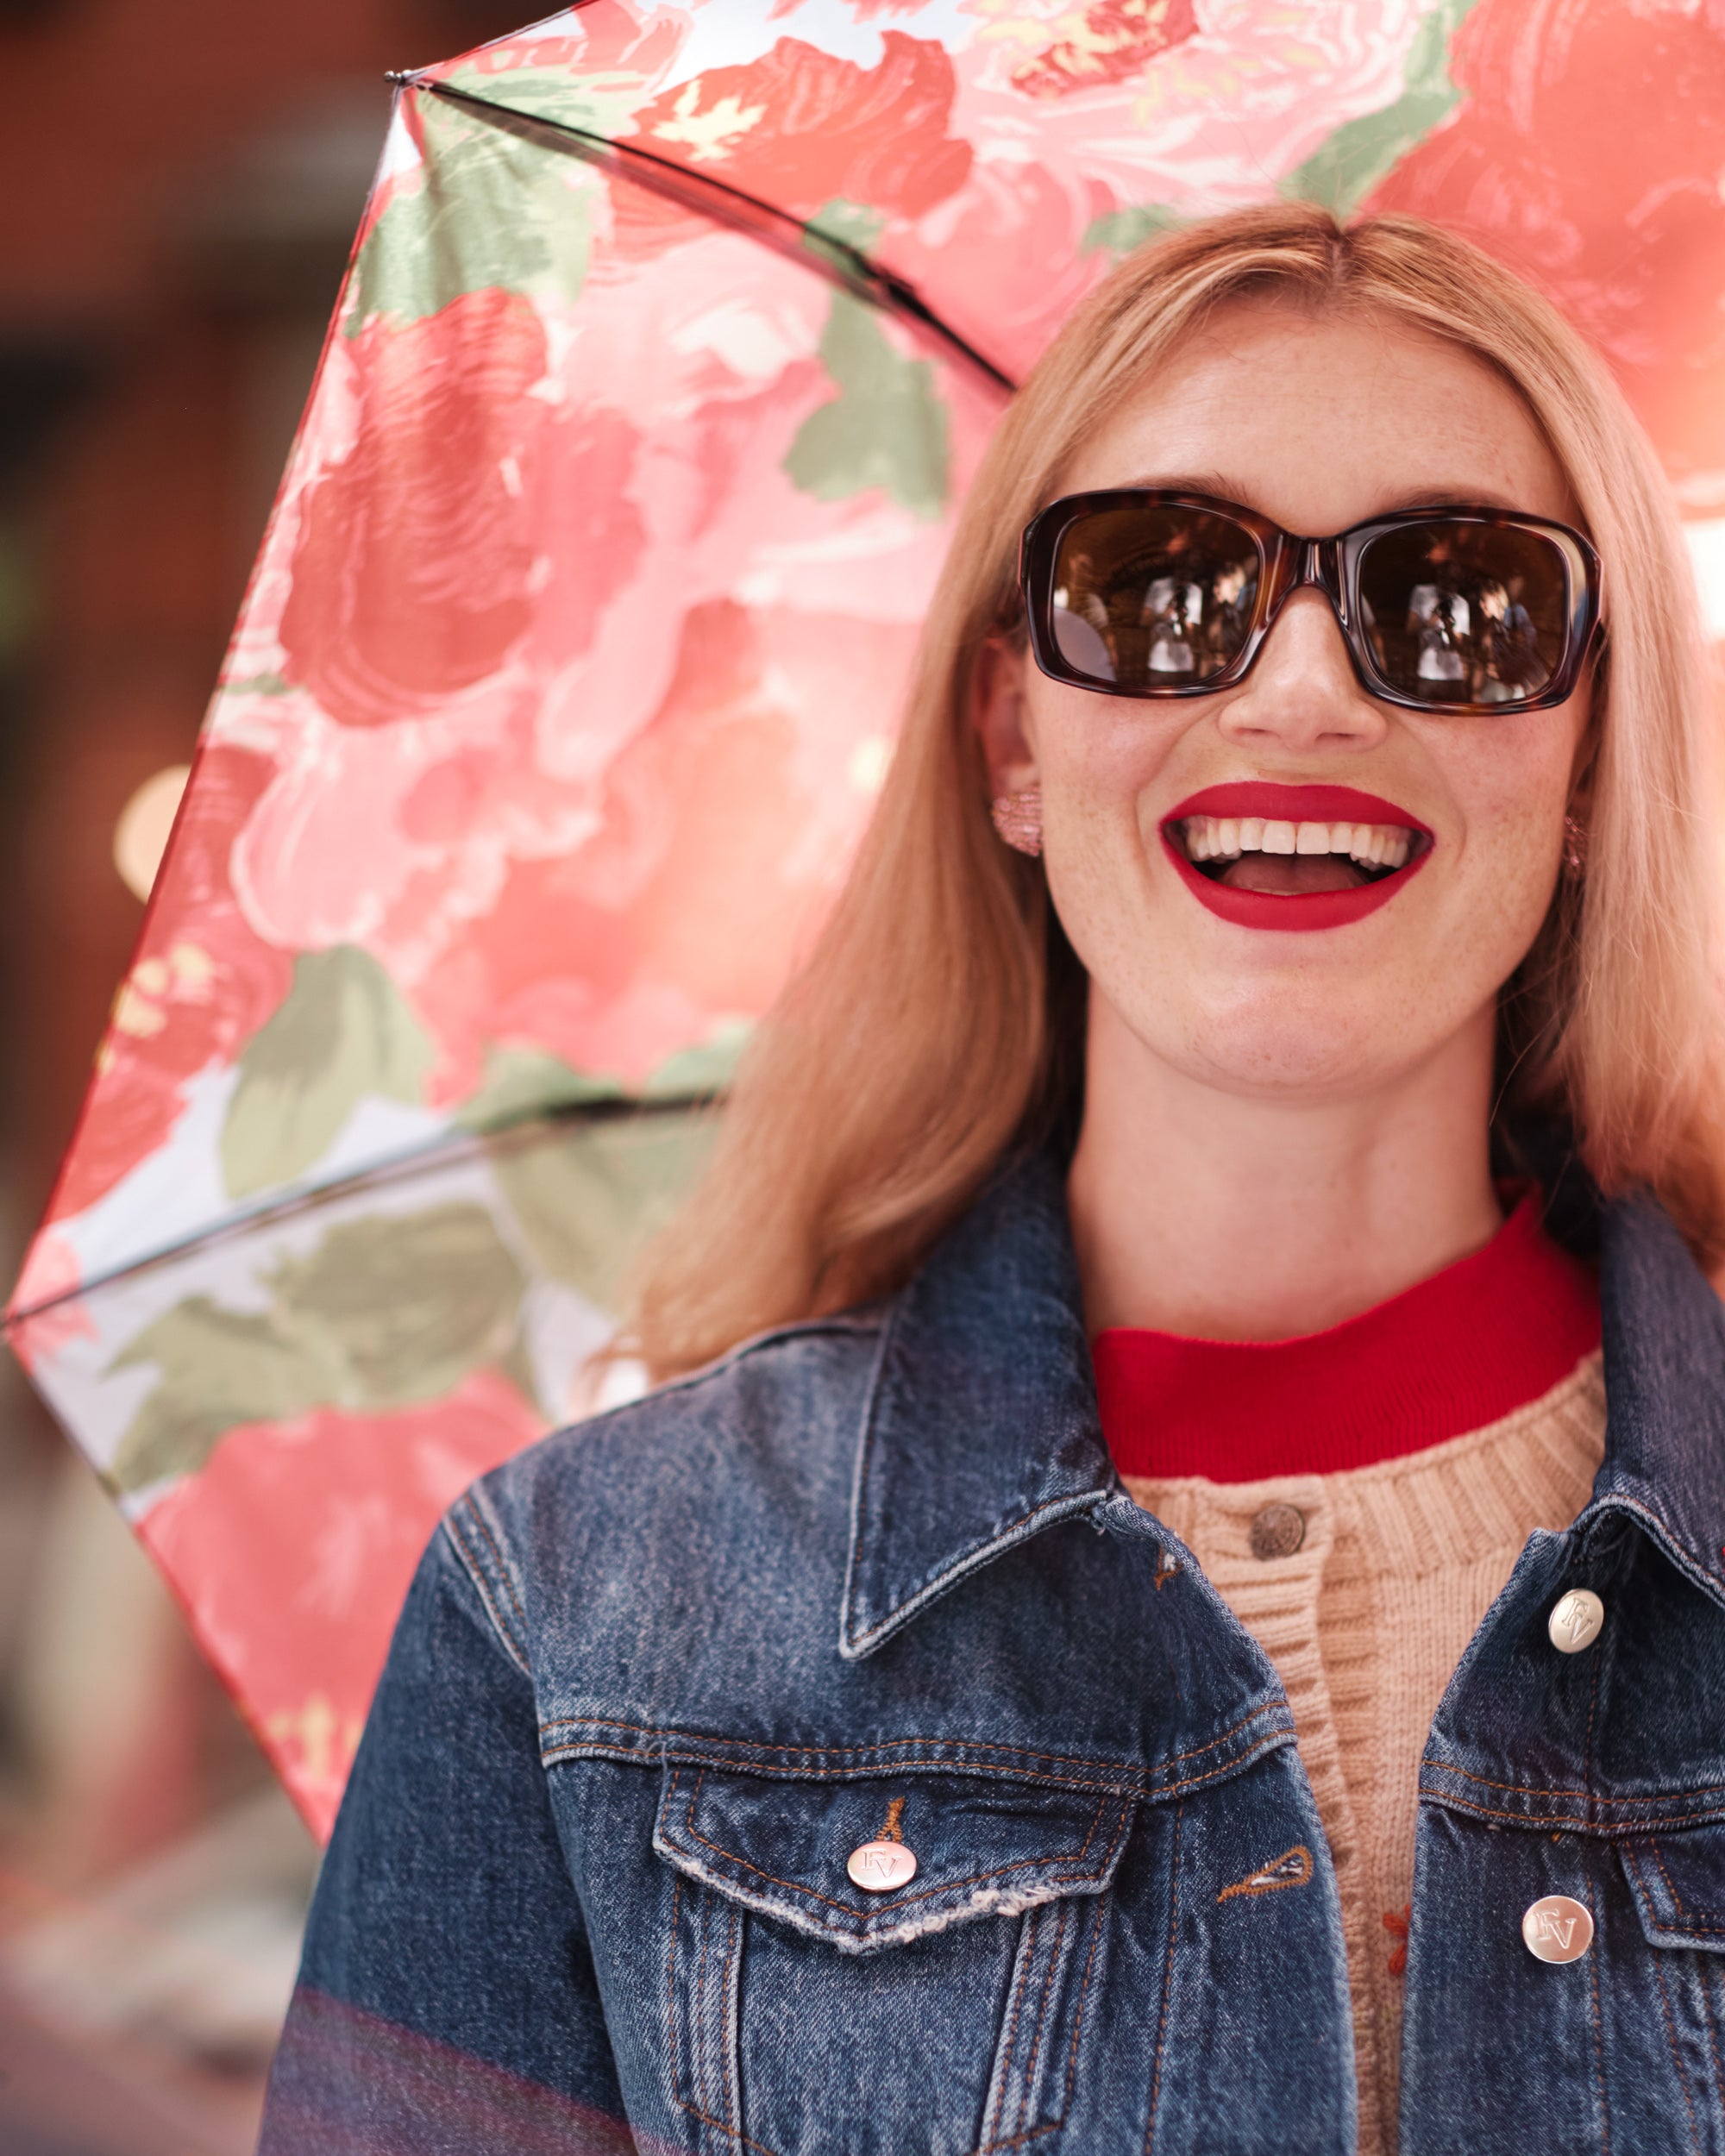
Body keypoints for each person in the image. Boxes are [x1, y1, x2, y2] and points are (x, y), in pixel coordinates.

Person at [260, 204, 1725, 2156]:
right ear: (1010, 736)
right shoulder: (577, 1615)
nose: (1297, 688)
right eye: (1160, 581)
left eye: (1455, 598)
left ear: (1590, 760)